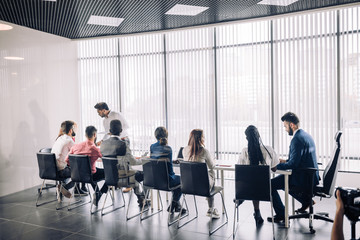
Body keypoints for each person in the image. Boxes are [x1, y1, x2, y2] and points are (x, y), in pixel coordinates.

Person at [268, 112, 320, 223]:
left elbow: (293, 165)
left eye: (285, 126)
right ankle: (306, 201)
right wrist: (285, 161)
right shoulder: (305, 135)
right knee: (282, 182)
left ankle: (281, 214)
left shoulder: (297, 140)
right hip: (309, 176)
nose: (285, 130)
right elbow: (298, 160)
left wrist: (275, 166)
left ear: (292, 125)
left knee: (270, 185)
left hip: (303, 178)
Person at [100, 120, 148, 207]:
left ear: (110, 131)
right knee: (144, 174)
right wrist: (144, 159)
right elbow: (133, 162)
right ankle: (142, 198)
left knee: (130, 176)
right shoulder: (123, 144)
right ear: (121, 131)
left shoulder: (103, 144)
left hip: (109, 177)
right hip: (123, 178)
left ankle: (141, 198)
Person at [238, 125, 279, 226]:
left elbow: (240, 171)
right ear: (258, 136)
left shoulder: (244, 151)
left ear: (247, 138)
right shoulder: (269, 149)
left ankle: (255, 210)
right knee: (259, 183)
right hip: (265, 190)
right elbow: (274, 168)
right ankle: (280, 213)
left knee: (252, 183)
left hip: (247, 190)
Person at [66, 126, 108, 206]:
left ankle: (97, 192)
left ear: (85, 135)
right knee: (110, 174)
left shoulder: (75, 146)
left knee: (94, 169)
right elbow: (105, 159)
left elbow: (67, 160)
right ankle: (99, 193)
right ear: (95, 135)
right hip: (91, 176)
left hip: (77, 175)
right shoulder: (95, 149)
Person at [94, 102, 131, 193]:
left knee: (125, 163)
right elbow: (107, 133)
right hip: (114, 141)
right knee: (114, 162)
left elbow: (126, 126)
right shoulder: (104, 121)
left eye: (99, 111)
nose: (98, 113)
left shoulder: (116, 114)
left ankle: (129, 185)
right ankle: (114, 182)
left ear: (104, 110)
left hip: (123, 140)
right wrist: (102, 141)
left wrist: (117, 134)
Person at [182, 129, 219, 219]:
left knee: (207, 175)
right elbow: (212, 166)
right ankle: (211, 208)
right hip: (203, 186)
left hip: (188, 185)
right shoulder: (204, 151)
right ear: (200, 138)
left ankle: (210, 206)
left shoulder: (184, 150)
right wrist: (213, 161)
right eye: (203, 136)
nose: (204, 138)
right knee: (212, 173)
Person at [150, 126, 186, 214]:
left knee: (177, 183)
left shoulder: (152, 147)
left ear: (155, 136)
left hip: (154, 180)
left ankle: (177, 205)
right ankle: (173, 204)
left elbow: (157, 160)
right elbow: (168, 166)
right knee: (183, 180)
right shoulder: (168, 148)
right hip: (167, 181)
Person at [51, 120, 77, 198]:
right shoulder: (69, 141)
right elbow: (77, 154)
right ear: (70, 130)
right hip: (62, 171)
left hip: (52, 170)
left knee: (68, 166)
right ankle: (65, 187)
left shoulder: (59, 139)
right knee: (81, 173)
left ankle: (62, 187)